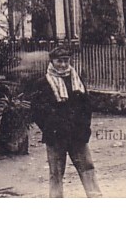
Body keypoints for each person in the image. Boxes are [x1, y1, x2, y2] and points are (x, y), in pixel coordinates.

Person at [29, 44, 103, 198]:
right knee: (56, 174)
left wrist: (84, 128)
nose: (63, 65)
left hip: (77, 135)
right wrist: (50, 128)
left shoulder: (77, 80)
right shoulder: (43, 83)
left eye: (66, 61)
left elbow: (86, 106)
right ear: (52, 62)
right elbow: (37, 111)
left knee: (88, 168)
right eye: (59, 61)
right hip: (55, 136)